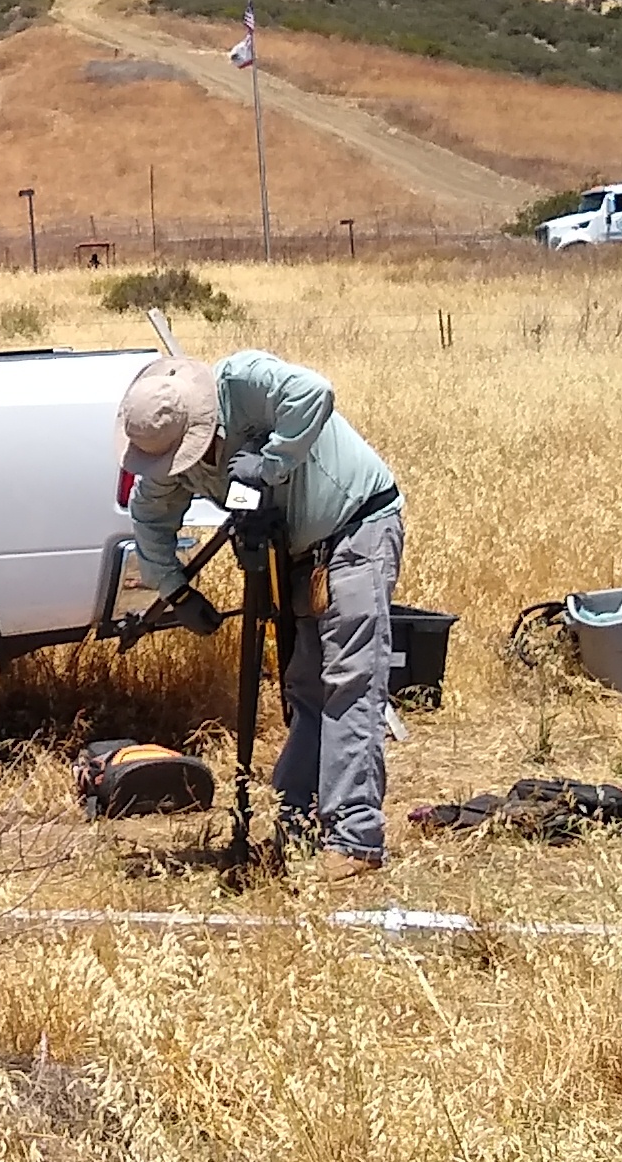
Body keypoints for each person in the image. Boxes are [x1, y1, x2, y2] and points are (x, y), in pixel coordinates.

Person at [114, 346, 406, 882]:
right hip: (298, 554)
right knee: (307, 689)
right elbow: (149, 518)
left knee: (351, 682)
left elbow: (314, 392)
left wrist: (268, 465)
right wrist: (177, 593)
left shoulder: (244, 381)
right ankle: (297, 819)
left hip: (355, 527)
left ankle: (355, 839)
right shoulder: (168, 453)